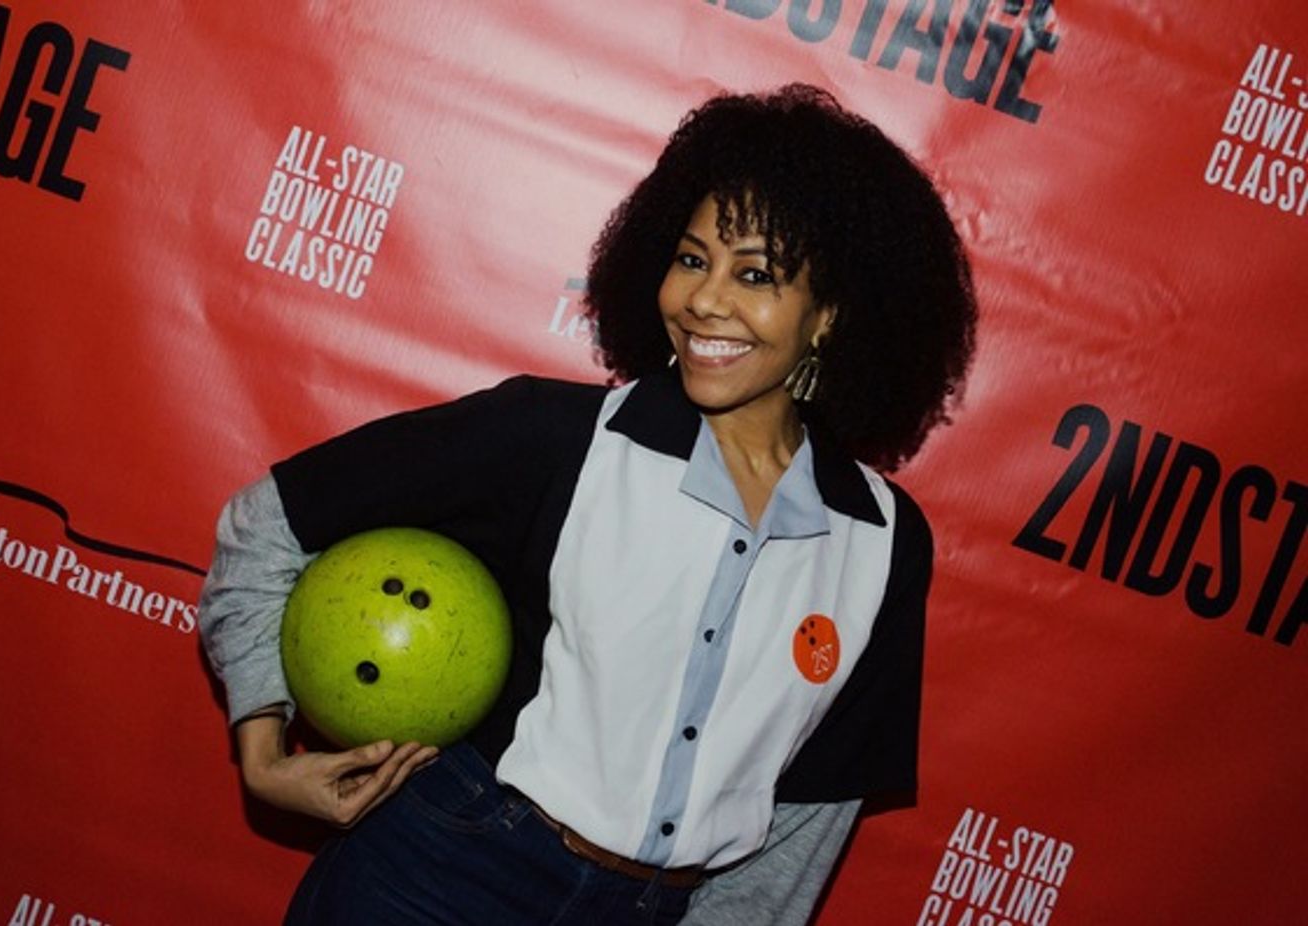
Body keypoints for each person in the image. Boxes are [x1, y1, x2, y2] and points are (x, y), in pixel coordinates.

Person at [199, 83, 977, 925]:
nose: (704, 301)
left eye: (755, 274)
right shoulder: (556, 437)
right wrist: (264, 745)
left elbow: (807, 817)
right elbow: (267, 523)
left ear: (829, 315)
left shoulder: (885, 541)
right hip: (442, 872)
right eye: (691, 259)